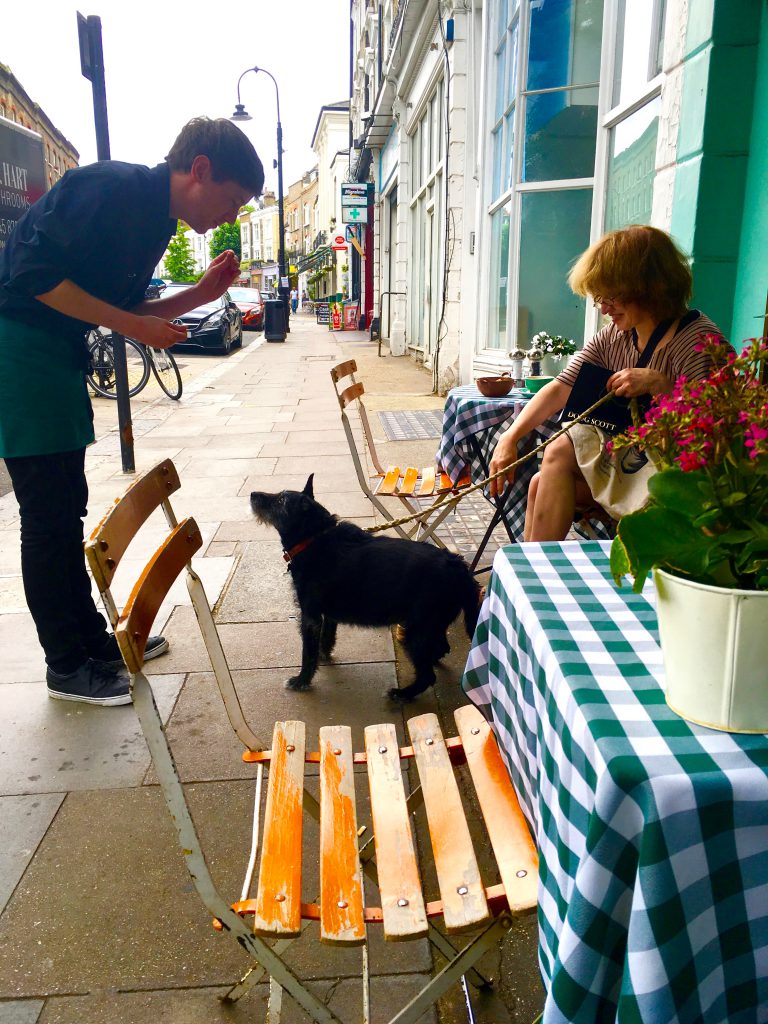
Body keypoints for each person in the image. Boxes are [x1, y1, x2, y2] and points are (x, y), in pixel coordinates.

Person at [0, 117, 264, 706]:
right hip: (17, 349)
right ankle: (66, 667)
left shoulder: (155, 221)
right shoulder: (110, 188)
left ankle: (93, 641)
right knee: (47, 519)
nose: (230, 217)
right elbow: (31, 274)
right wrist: (135, 326)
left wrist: (199, 295)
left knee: (67, 508)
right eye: (231, 200)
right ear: (199, 170)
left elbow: (120, 304)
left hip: (53, 355)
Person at [488, 225, 726, 541]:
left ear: (651, 286)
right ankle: (528, 578)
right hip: (632, 471)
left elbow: (717, 432)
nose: (603, 308)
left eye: (612, 296)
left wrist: (662, 386)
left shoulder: (699, 341)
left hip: (676, 484)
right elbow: (561, 388)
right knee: (539, 482)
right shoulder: (615, 336)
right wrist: (510, 438)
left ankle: (537, 575)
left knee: (560, 448)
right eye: (599, 297)